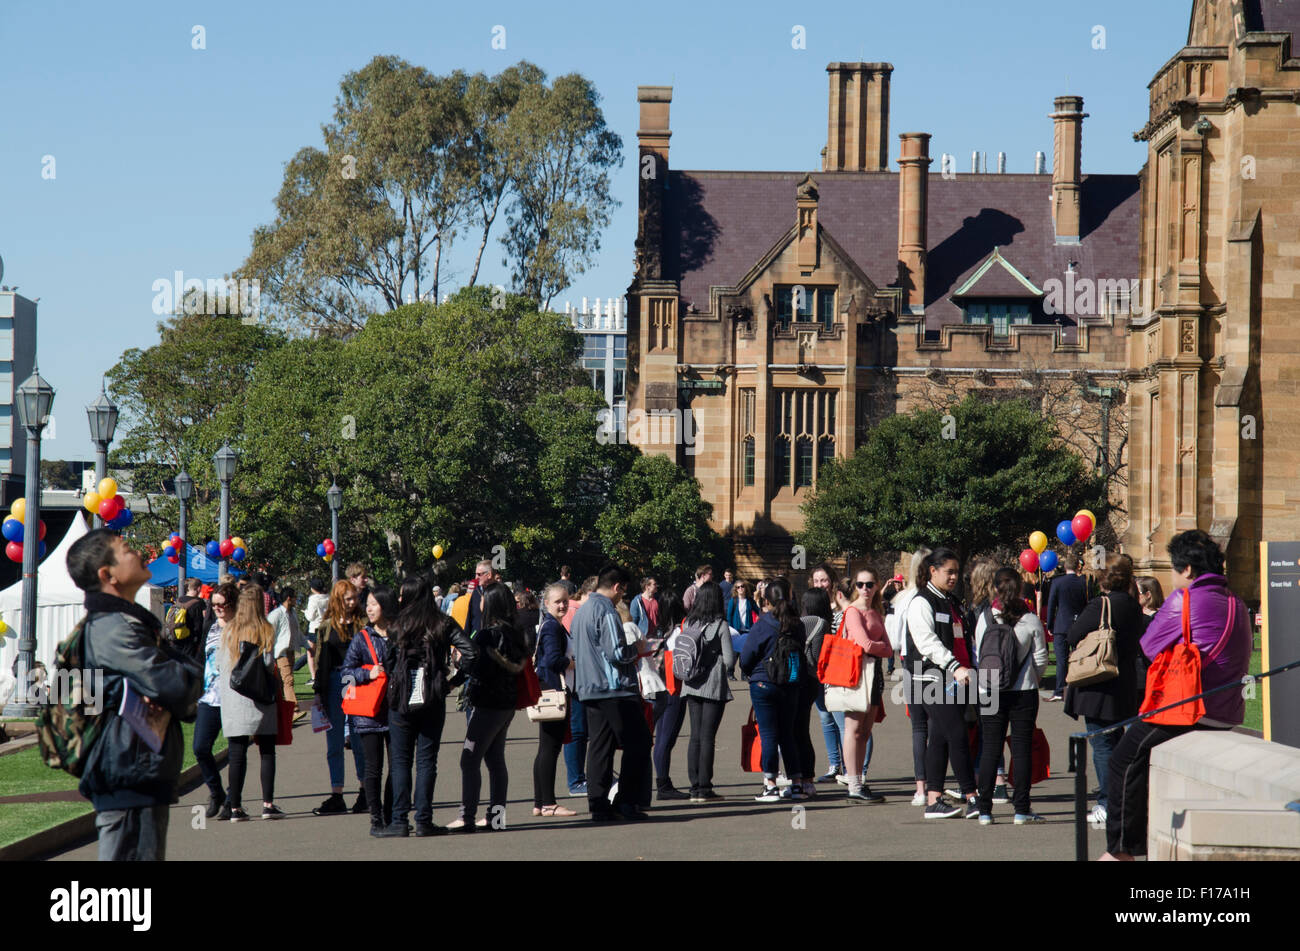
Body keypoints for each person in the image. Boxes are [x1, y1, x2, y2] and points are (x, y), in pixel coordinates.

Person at [1101, 531, 1252, 861]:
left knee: (1123, 759)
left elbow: (1149, 645)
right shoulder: (1237, 602)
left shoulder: (1184, 599)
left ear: (1186, 570)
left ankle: (1121, 851)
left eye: (1172, 568)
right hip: (1228, 711)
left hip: (1191, 707)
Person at [68, 529, 202, 860]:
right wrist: (180, 680)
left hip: (137, 771)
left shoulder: (129, 621)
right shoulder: (116, 627)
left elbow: (178, 686)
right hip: (129, 771)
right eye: (126, 549)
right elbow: (180, 686)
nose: (139, 552)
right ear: (107, 574)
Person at [379, 576, 475, 837]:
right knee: (426, 761)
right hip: (432, 695)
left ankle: (399, 821)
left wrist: (395, 677)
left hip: (401, 698)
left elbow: (387, 659)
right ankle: (423, 820)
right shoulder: (442, 622)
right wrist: (453, 681)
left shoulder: (398, 626)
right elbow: (471, 652)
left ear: (408, 597)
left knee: (400, 762)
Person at [1063, 554, 1145, 830]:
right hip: (1124, 684)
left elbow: (1073, 634)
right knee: (1117, 743)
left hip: (1098, 683)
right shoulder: (1133, 607)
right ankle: (1119, 799)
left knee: (1102, 746)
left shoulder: (1102, 605)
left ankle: (1107, 802)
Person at [573, 564, 651, 822]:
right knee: (638, 744)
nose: (622, 598)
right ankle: (625, 801)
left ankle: (598, 804)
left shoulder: (583, 611)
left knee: (600, 747)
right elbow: (616, 653)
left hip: (590, 688)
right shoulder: (604, 610)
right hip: (613, 689)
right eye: (623, 592)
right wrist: (638, 649)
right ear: (617, 587)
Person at [906, 547, 979, 819]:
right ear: (933, 571)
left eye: (956, 572)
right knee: (957, 734)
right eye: (949, 572)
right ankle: (972, 796)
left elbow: (961, 638)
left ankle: (934, 799)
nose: (954, 577)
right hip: (930, 678)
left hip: (954, 678)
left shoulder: (950, 600)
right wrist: (954, 666)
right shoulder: (921, 602)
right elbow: (927, 642)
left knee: (939, 739)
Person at [973, 567, 1050, 825]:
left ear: (994, 588)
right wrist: (1031, 678)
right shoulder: (1030, 619)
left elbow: (978, 655)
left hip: (989, 689)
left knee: (990, 749)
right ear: (1019, 589)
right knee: (1021, 749)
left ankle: (984, 810)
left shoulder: (984, 618)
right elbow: (1041, 658)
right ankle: (1021, 809)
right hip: (1023, 691)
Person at [449, 582, 525, 832]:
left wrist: (448, 684)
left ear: (490, 603)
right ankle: (496, 816)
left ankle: (466, 816)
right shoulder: (515, 633)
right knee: (495, 760)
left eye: (482, 597)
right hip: (507, 704)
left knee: (468, 760)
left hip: (486, 703)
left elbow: (471, 666)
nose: (478, 601)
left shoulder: (486, 635)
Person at [216, 584, 283, 821]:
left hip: (234, 700)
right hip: (259, 698)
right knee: (266, 752)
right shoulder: (265, 629)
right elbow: (267, 664)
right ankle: (268, 804)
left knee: (236, 753)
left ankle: (235, 807)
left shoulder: (229, 630)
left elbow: (219, 665)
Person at [739, 577, 805, 802]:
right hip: (791, 683)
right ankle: (797, 784)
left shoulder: (763, 623)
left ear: (766, 599)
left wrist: (750, 672)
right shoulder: (798, 624)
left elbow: (747, 656)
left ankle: (770, 785)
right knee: (789, 734)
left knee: (768, 734)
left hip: (763, 682)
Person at [829, 572, 891, 803]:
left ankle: (859, 781)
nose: (865, 588)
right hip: (855, 674)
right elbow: (866, 644)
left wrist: (877, 647)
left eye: (870, 584)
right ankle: (853, 783)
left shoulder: (875, 612)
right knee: (853, 729)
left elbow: (888, 647)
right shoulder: (853, 611)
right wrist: (879, 647)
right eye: (861, 584)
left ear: (876, 586)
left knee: (865, 731)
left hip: (873, 676)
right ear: (855, 586)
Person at [342, 585, 397, 835]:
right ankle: (376, 820)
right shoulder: (362, 638)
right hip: (368, 714)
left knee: (397, 767)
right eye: (368, 604)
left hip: (396, 710)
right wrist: (367, 673)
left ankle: (389, 814)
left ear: (385, 605)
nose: (369, 608)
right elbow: (346, 674)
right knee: (373, 768)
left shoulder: (399, 634)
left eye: (374, 604)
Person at [310, 580, 367, 816]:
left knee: (358, 738)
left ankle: (365, 791)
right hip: (333, 683)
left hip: (356, 681)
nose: (353, 602)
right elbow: (322, 661)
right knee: (333, 742)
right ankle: (337, 794)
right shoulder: (326, 627)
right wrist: (318, 693)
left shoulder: (362, 624)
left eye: (354, 598)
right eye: (348, 599)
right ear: (337, 600)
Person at [677, 580, 735, 802]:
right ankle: (704, 787)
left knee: (695, 736)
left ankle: (693, 787)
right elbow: (730, 661)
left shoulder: (689, 622)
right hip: (712, 686)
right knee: (708, 737)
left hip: (690, 683)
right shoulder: (720, 625)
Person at [533, 583, 577, 817]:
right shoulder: (552, 627)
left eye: (565, 601)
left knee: (545, 748)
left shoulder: (551, 625)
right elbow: (552, 660)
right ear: (547, 603)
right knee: (550, 748)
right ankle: (548, 803)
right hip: (554, 692)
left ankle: (540, 802)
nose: (562, 605)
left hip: (548, 690)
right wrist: (573, 664)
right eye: (557, 601)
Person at [195, 582, 237, 818]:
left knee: (235, 752)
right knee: (200, 747)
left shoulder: (241, 628)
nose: (218, 608)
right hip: (210, 697)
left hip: (234, 697)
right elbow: (203, 659)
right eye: (215, 605)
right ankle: (216, 792)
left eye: (222, 604)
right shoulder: (210, 628)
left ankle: (232, 798)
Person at [893, 548, 931, 805]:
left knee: (919, 727)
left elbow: (895, 639)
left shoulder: (904, 598)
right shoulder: (937, 598)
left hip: (911, 664)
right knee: (941, 726)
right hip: (935, 665)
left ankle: (921, 787)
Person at [561, 575, 599, 797]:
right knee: (577, 730)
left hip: (580, 679)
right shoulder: (574, 611)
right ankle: (576, 780)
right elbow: (569, 650)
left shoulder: (578, 610)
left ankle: (579, 778)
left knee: (581, 730)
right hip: (574, 681)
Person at [803, 588, 845, 783]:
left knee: (829, 720)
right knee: (833, 720)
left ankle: (837, 765)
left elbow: (815, 656)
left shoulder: (806, 623)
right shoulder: (826, 623)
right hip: (828, 677)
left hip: (813, 678)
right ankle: (842, 766)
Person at [651, 587, 688, 800]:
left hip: (660, 687)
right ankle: (663, 784)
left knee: (662, 737)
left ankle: (662, 782)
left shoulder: (659, 631)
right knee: (666, 738)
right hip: (674, 689)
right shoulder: (679, 632)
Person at [1045, 552, 1088, 701]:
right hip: (1078, 624)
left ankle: (1059, 691)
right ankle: (1077, 690)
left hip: (1061, 625)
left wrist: (1049, 624)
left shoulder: (1057, 582)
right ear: (1077, 566)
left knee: (1061, 660)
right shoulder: (1083, 582)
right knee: (1078, 658)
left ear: (1064, 567)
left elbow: (1052, 605)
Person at [267, 587, 303, 708]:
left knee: (284, 682)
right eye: (294, 597)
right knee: (288, 680)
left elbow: (297, 632)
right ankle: (294, 707)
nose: (296, 600)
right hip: (281, 653)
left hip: (291, 651)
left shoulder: (292, 614)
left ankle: (282, 707)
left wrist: (308, 645)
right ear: (289, 598)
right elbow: (268, 632)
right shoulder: (276, 614)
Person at [297, 577, 329, 682]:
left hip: (315, 628)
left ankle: (314, 677)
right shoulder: (328, 597)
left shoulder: (313, 599)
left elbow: (310, 616)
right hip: (327, 627)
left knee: (311, 653)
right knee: (324, 653)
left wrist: (305, 611)